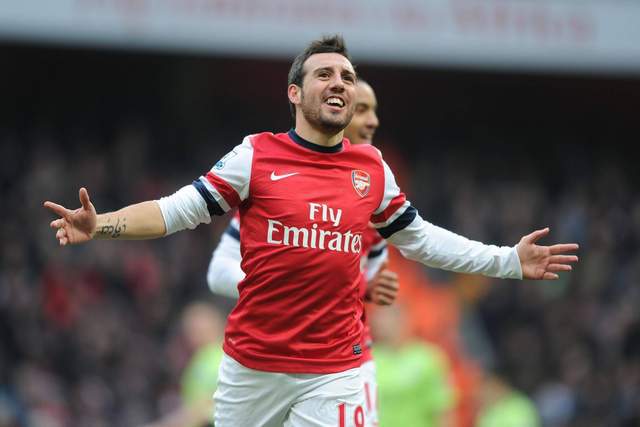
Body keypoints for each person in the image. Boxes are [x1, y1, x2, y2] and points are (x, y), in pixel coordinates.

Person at [44, 35, 579, 427]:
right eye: (325, 74)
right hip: (253, 366)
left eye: (347, 76)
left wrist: (508, 260)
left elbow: (422, 239)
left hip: (335, 369)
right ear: (295, 94)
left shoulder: (371, 169)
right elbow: (173, 211)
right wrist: (103, 225)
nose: (339, 82)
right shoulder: (256, 156)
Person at [206, 79, 399, 427]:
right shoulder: (279, 191)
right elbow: (218, 272)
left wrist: (367, 287)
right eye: (362, 110)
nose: (372, 122)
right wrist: (280, 291)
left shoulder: (375, 191)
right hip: (269, 363)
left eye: (374, 111)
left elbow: (369, 285)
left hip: (347, 364)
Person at [370, 303, 456, 427]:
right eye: (378, 317)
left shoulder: (429, 358)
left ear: (402, 320)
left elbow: (443, 408)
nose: (380, 322)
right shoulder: (370, 359)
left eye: (385, 317)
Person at [143, 302, 225, 427]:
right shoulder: (207, 358)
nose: (192, 334)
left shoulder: (212, 361)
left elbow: (198, 411)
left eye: (197, 327)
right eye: (189, 328)